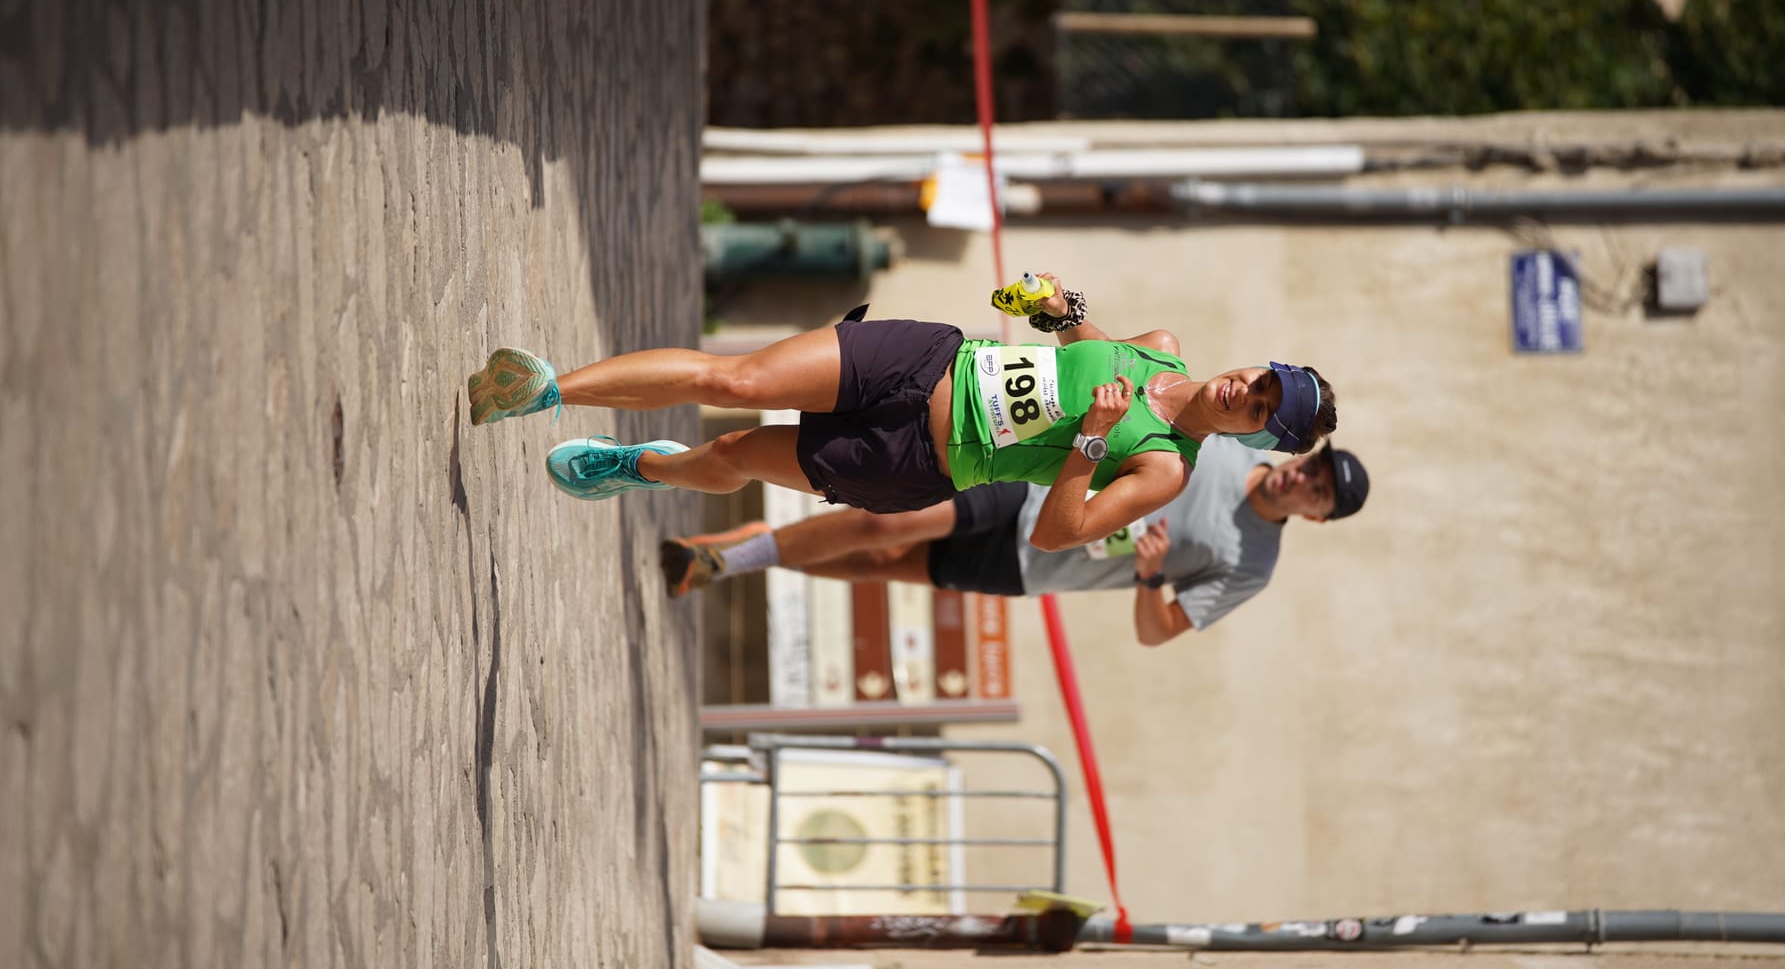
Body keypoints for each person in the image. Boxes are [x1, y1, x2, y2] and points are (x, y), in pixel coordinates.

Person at [466, 273, 1337, 551]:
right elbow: (1083, 358)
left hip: (919, 462)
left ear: (1256, 432)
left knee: (732, 453)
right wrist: (1065, 313)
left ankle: (640, 468)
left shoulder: (1163, 469)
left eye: (1259, 406)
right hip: (930, 359)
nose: (1243, 391)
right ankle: (545, 389)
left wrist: (1089, 444)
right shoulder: (1160, 343)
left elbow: (1058, 534)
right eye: (1259, 376)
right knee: (735, 381)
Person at [660, 438, 1370, 646]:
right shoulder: (1231, 436)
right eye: (1313, 465)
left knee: (874, 561)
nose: (1303, 479)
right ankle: (723, 559)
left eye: (1317, 491)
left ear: (1315, 517)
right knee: (887, 523)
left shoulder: (1254, 564)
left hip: (1031, 564)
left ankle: (744, 548)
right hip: (1028, 485)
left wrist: (1153, 577)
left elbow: (1161, 632)